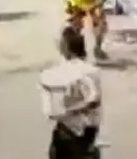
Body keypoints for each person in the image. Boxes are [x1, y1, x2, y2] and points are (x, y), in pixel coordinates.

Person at [40, 27, 101, 159]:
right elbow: (95, 102)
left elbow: (50, 112)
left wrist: (68, 111)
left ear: (65, 48)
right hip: (88, 135)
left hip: (66, 134)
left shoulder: (52, 74)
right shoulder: (93, 71)